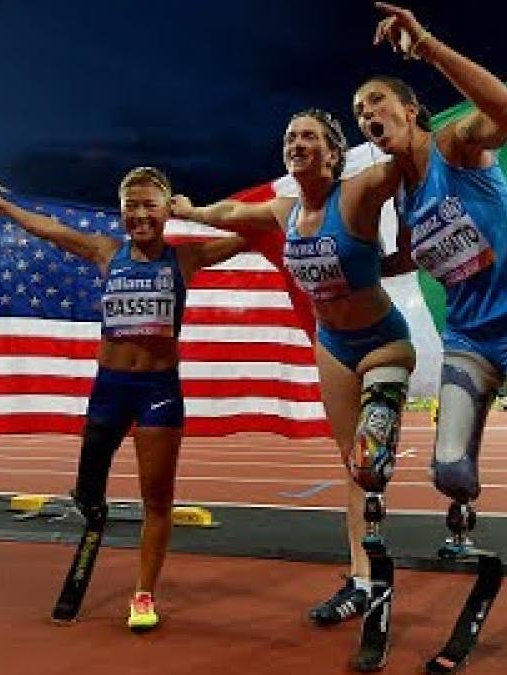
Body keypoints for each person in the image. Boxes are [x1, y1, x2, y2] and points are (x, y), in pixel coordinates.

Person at [354, 4, 507, 673]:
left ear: (411, 110)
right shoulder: (405, 197)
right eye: (358, 111)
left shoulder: (455, 145)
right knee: (449, 472)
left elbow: (506, 116)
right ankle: (465, 513)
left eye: (375, 101)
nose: (366, 114)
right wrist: (342, 275)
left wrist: (428, 44)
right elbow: (406, 256)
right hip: (469, 337)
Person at [171, 109, 413, 669]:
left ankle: (380, 589)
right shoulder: (284, 210)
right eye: (289, 137)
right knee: (353, 468)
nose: (295, 143)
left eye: (308, 136)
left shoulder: (359, 191)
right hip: (333, 348)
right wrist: (190, 210)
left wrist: (505, 109)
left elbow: (413, 159)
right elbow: (231, 212)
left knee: (371, 464)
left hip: (382, 342)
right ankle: (360, 580)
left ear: (334, 153)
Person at [0, 167, 247, 631]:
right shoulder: (107, 252)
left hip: (159, 393)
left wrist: (196, 212)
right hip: (110, 389)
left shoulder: (185, 260)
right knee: (87, 490)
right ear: (121, 211)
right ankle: (92, 506)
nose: (140, 214)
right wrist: (5, 208)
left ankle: (143, 595)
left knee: (157, 500)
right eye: (131, 206)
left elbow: (253, 230)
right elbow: (54, 231)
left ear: (166, 210)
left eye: (150, 205)